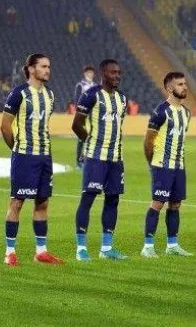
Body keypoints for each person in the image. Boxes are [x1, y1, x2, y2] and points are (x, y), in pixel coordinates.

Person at [1, 54, 63, 266]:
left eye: (49, 66)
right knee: (17, 202)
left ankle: (41, 252)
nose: (48, 70)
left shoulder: (50, 95)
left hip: (45, 156)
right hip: (24, 156)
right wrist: (18, 150)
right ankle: (10, 252)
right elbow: (5, 126)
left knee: (42, 202)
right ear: (30, 69)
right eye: (43, 66)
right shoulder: (18, 94)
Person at [72, 59, 128, 261]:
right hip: (96, 158)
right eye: (113, 72)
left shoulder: (122, 98)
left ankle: (106, 248)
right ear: (103, 74)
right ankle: (81, 249)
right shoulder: (91, 95)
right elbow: (76, 124)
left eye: (119, 72)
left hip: (116, 159)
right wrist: (89, 142)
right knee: (88, 199)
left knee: (113, 199)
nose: (117, 76)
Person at [141, 72, 193, 258]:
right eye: (180, 84)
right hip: (162, 165)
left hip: (179, 166)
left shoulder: (186, 113)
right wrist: (153, 164)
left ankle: (172, 245)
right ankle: (148, 247)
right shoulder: (160, 111)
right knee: (158, 203)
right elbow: (148, 142)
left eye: (184, 83)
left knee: (176, 204)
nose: (184, 87)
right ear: (170, 88)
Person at [73, 65, 95, 169]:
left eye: (92, 72)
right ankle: (79, 161)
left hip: (93, 114)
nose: (91, 74)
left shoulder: (95, 86)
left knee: (93, 137)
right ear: (85, 73)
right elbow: (76, 100)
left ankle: (89, 159)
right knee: (81, 137)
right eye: (89, 72)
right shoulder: (80, 85)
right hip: (82, 114)